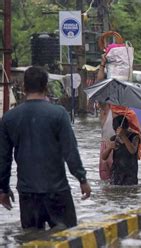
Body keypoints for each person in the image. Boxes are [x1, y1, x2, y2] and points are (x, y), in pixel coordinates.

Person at [0, 66, 91, 230]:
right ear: (46, 86)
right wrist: (82, 179)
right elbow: (70, 151)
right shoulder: (59, 114)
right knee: (68, 237)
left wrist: (3, 190)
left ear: (23, 87)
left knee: (31, 240)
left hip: (27, 194)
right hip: (57, 191)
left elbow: (3, 159)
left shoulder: (9, 118)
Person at [101, 115, 140, 185]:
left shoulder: (135, 137)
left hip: (130, 174)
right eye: (115, 131)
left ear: (126, 128)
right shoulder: (114, 139)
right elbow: (103, 157)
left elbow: (132, 151)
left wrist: (123, 136)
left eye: (120, 131)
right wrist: (109, 147)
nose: (117, 133)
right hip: (116, 173)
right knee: (116, 192)